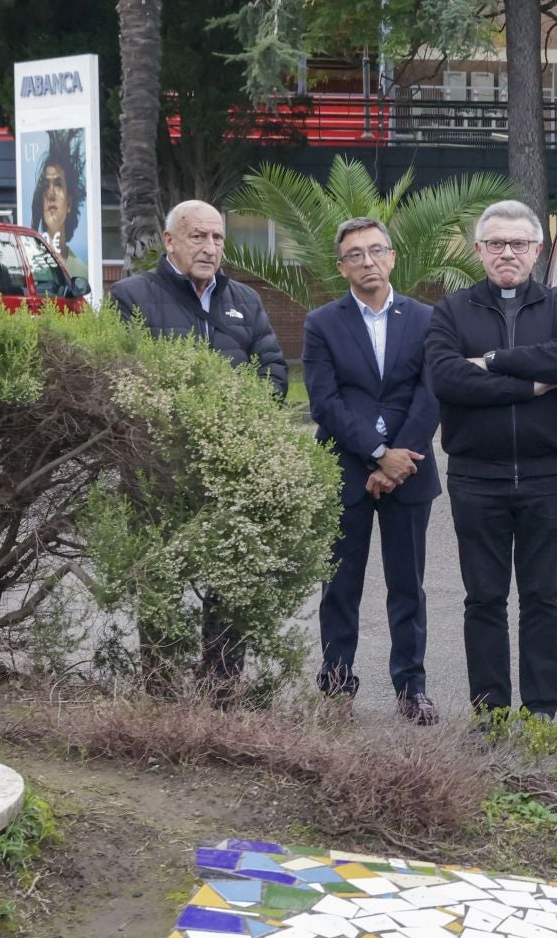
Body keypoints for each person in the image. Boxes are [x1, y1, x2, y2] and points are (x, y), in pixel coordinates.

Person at [110, 199, 289, 679]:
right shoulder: (130, 296)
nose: (210, 248)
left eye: (217, 239)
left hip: (230, 469)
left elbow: (272, 373)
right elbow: (126, 381)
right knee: (160, 579)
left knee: (230, 578)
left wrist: (232, 427)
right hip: (160, 469)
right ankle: (162, 687)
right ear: (169, 241)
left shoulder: (244, 301)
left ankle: (220, 689)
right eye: (198, 237)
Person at [424, 200, 557, 719]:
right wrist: (533, 386)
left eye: (518, 243)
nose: (507, 253)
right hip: (477, 477)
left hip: (548, 474)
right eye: (496, 244)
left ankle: (540, 711)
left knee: (543, 597)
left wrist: (494, 362)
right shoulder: (452, 310)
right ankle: (490, 711)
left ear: (538, 250)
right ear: (479, 251)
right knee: (484, 599)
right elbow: (447, 378)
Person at [301, 217, 441, 725]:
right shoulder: (322, 323)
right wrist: (378, 453)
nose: (368, 262)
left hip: (411, 470)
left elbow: (431, 395)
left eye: (376, 250)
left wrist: (398, 457)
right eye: (355, 254)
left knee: (409, 586)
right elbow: (326, 402)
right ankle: (337, 685)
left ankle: (412, 687)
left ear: (393, 258)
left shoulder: (426, 319)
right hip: (346, 471)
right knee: (340, 586)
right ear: (341, 267)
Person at [30, 137, 88, 280]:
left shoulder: (81, 271)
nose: (51, 194)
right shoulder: (30, 265)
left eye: (58, 184)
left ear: (69, 204)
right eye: (46, 185)